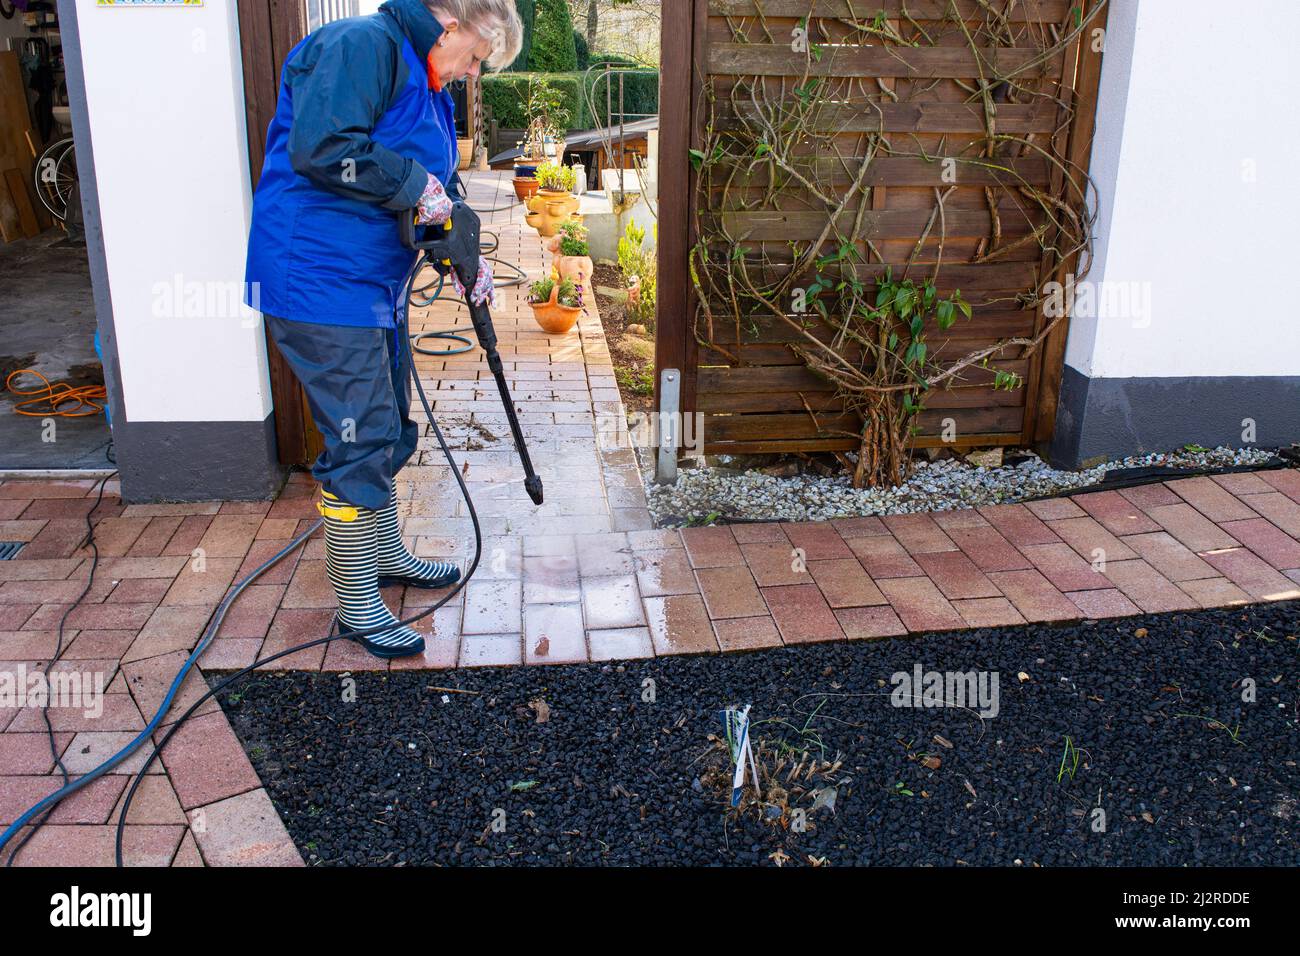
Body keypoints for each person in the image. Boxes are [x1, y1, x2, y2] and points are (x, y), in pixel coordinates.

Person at [244, 0, 523, 659]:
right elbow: (324, 149)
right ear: (451, 24)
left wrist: (462, 253)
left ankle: (386, 553)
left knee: (388, 422)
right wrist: (415, 186)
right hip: (318, 277)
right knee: (359, 434)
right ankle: (358, 602)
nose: (468, 74)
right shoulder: (361, 44)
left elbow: (435, 185)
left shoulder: (427, 85)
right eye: (476, 58)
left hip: (373, 284)